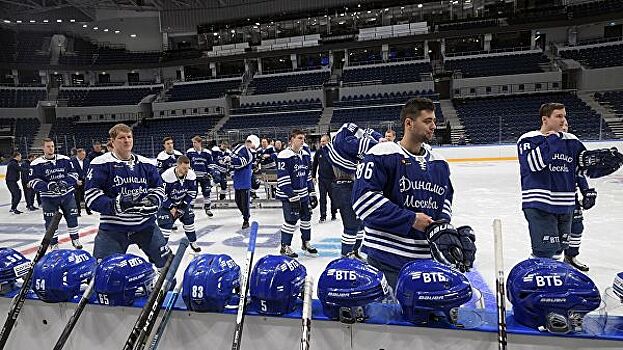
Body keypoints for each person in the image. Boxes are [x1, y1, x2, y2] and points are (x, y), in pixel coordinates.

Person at [353, 97, 475, 289]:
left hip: (428, 260)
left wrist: (440, 227)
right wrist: (410, 219)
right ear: (409, 123)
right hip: (388, 259)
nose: (434, 126)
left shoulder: (439, 162)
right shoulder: (382, 153)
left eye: (434, 121)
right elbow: (364, 201)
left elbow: (445, 200)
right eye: (427, 121)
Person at [517, 103, 623, 260]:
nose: (563, 120)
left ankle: (555, 280)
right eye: (558, 116)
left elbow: (582, 170)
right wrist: (553, 138)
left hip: (566, 205)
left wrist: (596, 175)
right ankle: (539, 281)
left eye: (564, 116)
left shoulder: (572, 141)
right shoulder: (529, 138)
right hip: (539, 203)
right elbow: (534, 164)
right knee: (545, 251)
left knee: (559, 250)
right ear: (545, 119)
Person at [85, 123, 170, 267]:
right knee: (102, 272)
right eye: (121, 138)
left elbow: (159, 188)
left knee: (167, 265)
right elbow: (91, 196)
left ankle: (162, 288)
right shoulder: (100, 163)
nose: (127, 140)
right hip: (113, 228)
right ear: (112, 141)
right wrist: (117, 204)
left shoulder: (146, 163)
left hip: (145, 225)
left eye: (129, 137)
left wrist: (154, 200)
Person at [327, 122, 385, 259]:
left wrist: (378, 139)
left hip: (353, 185)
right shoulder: (343, 144)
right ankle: (345, 257)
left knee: (360, 224)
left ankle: (355, 252)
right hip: (342, 187)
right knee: (351, 226)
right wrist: (376, 144)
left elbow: (366, 132)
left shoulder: (352, 136)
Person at [29, 139, 82, 249]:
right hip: (48, 198)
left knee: (72, 217)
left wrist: (66, 182)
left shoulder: (65, 159)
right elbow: (33, 181)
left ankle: (75, 239)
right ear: (43, 148)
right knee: (51, 222)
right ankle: (54, 244)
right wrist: (48, 186)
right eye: (48, 146)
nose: (51, 148)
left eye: (52, 146)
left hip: (67, 195)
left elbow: (74, 174)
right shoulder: (36, 163)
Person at [276, 129, 318, 258]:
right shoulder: (284, 155)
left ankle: (306, 243)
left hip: (303, 194)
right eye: (299, 138)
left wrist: (312, 193)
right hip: (289, 196)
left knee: (306, 219)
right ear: (291, 139)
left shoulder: (305, 155)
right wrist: (292, 196)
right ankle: (285, 246)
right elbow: (283, 179)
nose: (302, 141)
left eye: (303, 138)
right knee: (290, 221)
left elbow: (307, 176)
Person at [158, 155, 201, 252]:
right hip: (166, 204)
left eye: (188, 168)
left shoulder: (191, 175)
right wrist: (171, 207)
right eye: (184, 168)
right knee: (165, 225)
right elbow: (161, 194)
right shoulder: (166, 176)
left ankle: (193, 242)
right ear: (177, 165)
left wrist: (183, 207)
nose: (186, 170)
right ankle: (161, 248)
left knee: (189, 219)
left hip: (181, 202)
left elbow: (192, 193)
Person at [225, 135, 259, 229]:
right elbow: (233, 157)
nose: (248, 143)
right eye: (248, 141)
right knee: (237, 201)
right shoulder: (240, 148)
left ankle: (246, 219)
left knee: (245, 202)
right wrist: (228, 162)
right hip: (237, 179)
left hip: (245, 180)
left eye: (250, 142)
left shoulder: (250, 155)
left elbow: (241, 163)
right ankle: (245, 214)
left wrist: (231, 160)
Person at [186, 135, 214, 217]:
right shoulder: (189, 152)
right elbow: (187, 163)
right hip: (193, 177)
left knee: (207, 192)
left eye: (195, 142)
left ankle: (208, 208)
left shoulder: (207, 152)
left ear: (200, 143)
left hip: (204, 176)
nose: (193, 144)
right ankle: (190, 209)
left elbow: (211, 164)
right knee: (193, 193)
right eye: (193, 142)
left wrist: (210, 173)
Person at [311, 135, 337, 222]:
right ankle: (323, 216)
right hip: (322, 179)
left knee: (333, 197)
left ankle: (333, 213)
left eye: (323, 141)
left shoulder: (333, 151)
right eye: (321, 141)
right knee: (322, 198)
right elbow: (314, 165)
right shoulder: (318, 152)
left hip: (332, 179)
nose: (321, 143)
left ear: (328, 142)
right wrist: (313, 176)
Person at [71, 148, 92, 216]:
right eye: (82, 154)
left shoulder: (87, 161)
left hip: (85, 180)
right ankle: (78, 211)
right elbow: (72, 171)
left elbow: (89, 170)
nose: (83, 156)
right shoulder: (73, 161)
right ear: (78, 154)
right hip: (77, 180)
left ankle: (88, 210)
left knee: (86, 195)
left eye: (84, 154)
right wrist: (76, 180)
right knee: (77, 197)